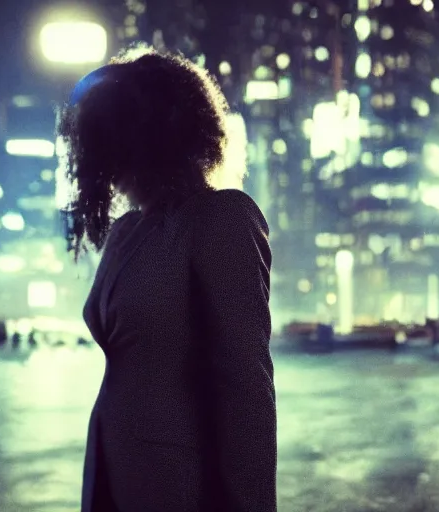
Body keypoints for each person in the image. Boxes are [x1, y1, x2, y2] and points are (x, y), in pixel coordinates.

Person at [58, 45, 276, 511]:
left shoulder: (222, 218)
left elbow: (246, 386)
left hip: (182, 483)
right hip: (113, 472)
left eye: (110, 142)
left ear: (150, 138)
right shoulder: (125, 233)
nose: (102, 166)